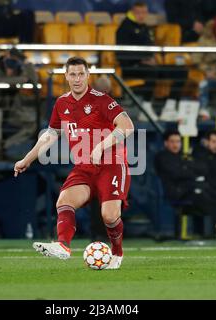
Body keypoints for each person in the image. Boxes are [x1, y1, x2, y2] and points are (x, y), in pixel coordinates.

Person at [14, 56, 134, 269]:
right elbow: (50, 134)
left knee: (109, 215)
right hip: (85, 167)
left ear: (88, 75)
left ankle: (117, 253)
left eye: (81, 74)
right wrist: (27, 159)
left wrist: (101, 146)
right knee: (64, 200)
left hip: (112, 163)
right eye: (73, 74)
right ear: (66, 76)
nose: (77, 79)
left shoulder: (102, 100)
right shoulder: (61, 103)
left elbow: (127, 126)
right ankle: (63, 246)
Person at [154, 130, 216, 243]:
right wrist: (189, 170)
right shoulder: (162, 157)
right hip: (179, 192)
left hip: (194, 189)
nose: (175, 144)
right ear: (166, 143)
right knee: (211, 201)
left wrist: (188, 169)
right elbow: (177, 173)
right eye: (172, 141)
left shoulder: (184, 156)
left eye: (178, 141)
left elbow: (202, 169)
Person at [116, 1, 188, 122]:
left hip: (149, 65)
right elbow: (121, 53)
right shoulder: (124, 27)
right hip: (131, 67)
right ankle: (146, 108)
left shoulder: (145, 27)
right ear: (133, 12)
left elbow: (150, 48)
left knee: (181, 71)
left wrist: (152, 58)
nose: (141, 15)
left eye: (144, 13)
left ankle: (169, 108)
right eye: (138, 13)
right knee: (152, 71)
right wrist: (142, 59)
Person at [0, 48, 38, 159]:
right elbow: (0, 82)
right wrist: (22, 79)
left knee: (32, 124)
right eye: (10, 62)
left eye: (14, 63)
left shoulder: (18, 69)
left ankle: (6, 146)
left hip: (11, 112)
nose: (11, 68)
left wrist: (26, 62)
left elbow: (34, 80)